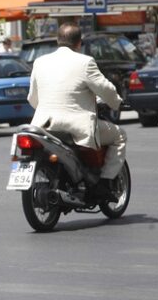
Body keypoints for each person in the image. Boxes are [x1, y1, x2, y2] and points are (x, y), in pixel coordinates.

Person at [28, 22, 126, 202]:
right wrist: (117, 103)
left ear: (58, 40)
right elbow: (105, 89)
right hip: (75, 128)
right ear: (79, 43)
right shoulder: (85, 62)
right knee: (119, 135)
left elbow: (32, 98)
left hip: (43, 125)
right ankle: (104, 183)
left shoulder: (40, 62)